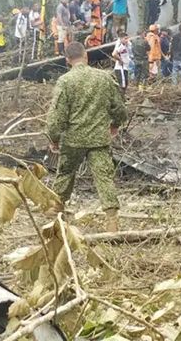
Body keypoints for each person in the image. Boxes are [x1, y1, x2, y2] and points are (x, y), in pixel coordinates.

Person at [47, 41, 128, 233]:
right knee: (104, 177)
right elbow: (119, 108)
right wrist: (115, 125)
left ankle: (55, 211)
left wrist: (54, 138)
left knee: (65, 174)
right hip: (99, 139)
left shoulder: (65, 81)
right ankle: (112, 221)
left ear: (67, 60)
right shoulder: (104, 78)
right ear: (86, 56)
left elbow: (56, 115)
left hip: (73, 139)